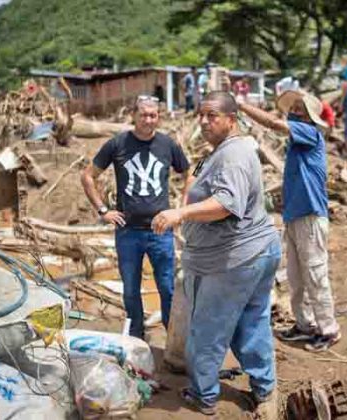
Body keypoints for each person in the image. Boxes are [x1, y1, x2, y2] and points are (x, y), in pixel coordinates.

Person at [151, 91, 281, 416]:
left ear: (231, 120)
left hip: (232, 260)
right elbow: (203, 182)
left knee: (208, 330)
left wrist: (181, 214)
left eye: (213, 116)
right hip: (254, 252)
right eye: (201, 115)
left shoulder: (233, 154)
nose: (205, 121)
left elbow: (226, 204)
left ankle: (203, 395)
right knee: (251, 324)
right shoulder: (224, 151)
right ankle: (264, 388)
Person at [80, 96, 192, 339]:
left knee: (167, 288)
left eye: (153, 115)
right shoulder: (117, 144)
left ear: (158, 117)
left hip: (160, 230)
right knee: (130, 289)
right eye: (144, 115)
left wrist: (180, 210)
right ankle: (136, 337)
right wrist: (103, 211)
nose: (148, 120)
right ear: (134, 115)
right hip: (128, 231)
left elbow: (189, 173)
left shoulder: (167, 145)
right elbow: (88, 176)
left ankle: (173, 337)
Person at [238, 90, 340, 353]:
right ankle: (304, 325)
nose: (293, 110)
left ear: (308, 116)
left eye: (299, 107)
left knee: (315, 275)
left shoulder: (309, 133)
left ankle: (328, 330)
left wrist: (241, 104)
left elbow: (274, 123)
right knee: (297, 278)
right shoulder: (296, 144)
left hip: (310, 217)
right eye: (292, 106)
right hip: (295, 218)